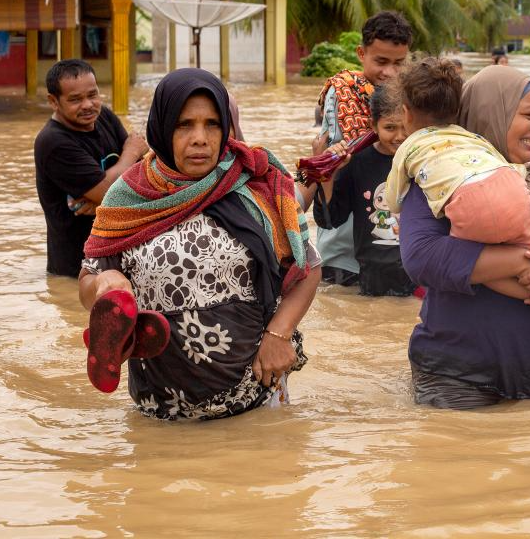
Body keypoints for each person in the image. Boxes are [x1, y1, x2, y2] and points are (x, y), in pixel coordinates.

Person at [78, 68, 322, 420]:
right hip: (160, 410)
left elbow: (308, 267)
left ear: (226, 127)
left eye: (212, 124)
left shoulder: (255, 183)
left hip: (255, 402)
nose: (200, 138)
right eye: (184, 125)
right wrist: (102, 285)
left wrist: (279, 334)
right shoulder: (128, 195)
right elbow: (87, 285)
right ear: (162, 127)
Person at [399, 65, 530, 409]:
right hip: (458, 381)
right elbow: (421, 257)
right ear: (493, 112)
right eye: (527, 115)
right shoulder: (441, 181)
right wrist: (524, 262)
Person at [315, 11, 412, 286]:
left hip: (389, 248)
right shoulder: (342, 92)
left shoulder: (412, 97)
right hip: (342, 242)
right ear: (361, 53)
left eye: (399, 63)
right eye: (381, 61)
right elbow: (332, 159)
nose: (390, 72)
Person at [34, 59, 147, 277]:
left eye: (92, 95)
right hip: (76, 269)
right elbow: (107, 191)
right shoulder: (53, 142)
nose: (88, 105)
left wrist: (101, 204)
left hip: (119, 255)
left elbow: (143, 173)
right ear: (53, 101)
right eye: (75, 99)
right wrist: (130, 153)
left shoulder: (103, 115)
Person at [313, 86, 416, 297]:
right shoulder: (357, 162)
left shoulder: (422, 161)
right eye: (390, 128)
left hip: (416, 274)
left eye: (405, 128)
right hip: (371, 276)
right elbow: (330, 219)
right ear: (374, 126)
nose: (399, 136)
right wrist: (328, 175)